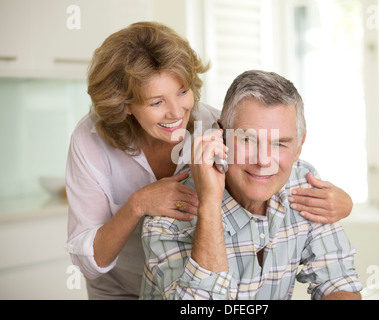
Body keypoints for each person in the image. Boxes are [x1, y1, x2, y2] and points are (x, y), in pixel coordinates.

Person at [65, 22, 353, 300]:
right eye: (156, 102)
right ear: (125, 104)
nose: (177, 112)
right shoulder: (91, 140)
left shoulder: (214, 127)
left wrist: (344, 202)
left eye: (183, 91)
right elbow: (89, 260)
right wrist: (137, 204)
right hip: (122, 282)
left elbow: (273, 150)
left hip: (193, 278)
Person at [141, 70, 362, 300]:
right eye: (248, 140)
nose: (263, 161)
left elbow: (338, 283)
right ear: (221, 135)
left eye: (280, 144)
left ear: (299, 146)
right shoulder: (169, 217)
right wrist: (209, 206)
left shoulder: (303, 184)